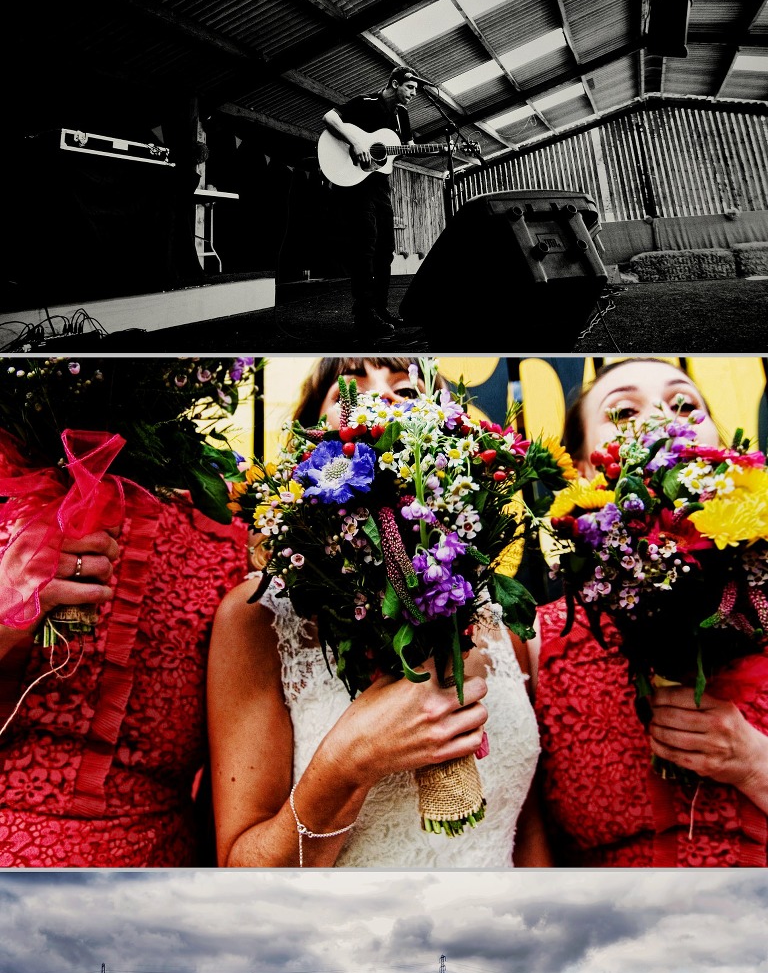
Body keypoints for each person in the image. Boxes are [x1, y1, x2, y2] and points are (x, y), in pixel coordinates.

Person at [207, 358, 551, 869]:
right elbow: (246, 874)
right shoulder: (258, 618)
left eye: (406, 390)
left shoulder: (500, 625)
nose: (381, 400)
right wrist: (351, 758)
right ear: (307, 448)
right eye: (350, 391)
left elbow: (525, 833)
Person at [0, 367, 248, 868]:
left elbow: (233, 793)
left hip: (152, 876)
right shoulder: (12, 500)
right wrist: (11, 615)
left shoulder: (225, 547)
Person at [533, 358, 768, 868]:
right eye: (622, 413)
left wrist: (756, 764)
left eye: (684, 404)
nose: (664, 417)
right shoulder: (536, 645)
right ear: (583, 470)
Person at [322, 67, 419, 343]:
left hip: (380, 186)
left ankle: (380, 309)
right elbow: (329, 117)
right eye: (410, 88)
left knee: (386, 246)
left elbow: (405, 147)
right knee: (366, 244)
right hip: (356, 185)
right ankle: (363, 314)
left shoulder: (402, 115)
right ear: (395, 83)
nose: (414, 94)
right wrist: (356, 143)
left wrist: (395, 152)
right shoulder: (365, 103)